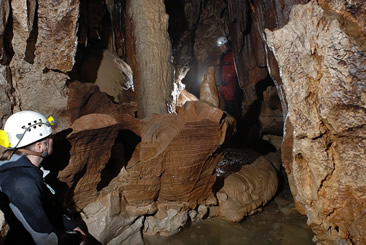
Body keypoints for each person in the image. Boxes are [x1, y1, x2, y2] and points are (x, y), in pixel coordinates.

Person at [0, 111, 86, 245]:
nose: (53, 138)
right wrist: (77, 238)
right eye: (50, 136)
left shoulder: (18, 167)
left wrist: (70, 225)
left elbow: (49, 206)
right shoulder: (22, 184)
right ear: (40, 147)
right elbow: (46, 240)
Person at [216, 36, 242, 121]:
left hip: (230, 85)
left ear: (227, 45)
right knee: (226, 107)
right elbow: (220, 70)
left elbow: (233, 70)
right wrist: (219, 81)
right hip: (223, 86)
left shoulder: (231, 55)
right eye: (220, 47)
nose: (222, 48)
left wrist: (225, 80)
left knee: (232, 106)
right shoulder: (222, 57)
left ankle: (237, 125)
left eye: (223, 46)